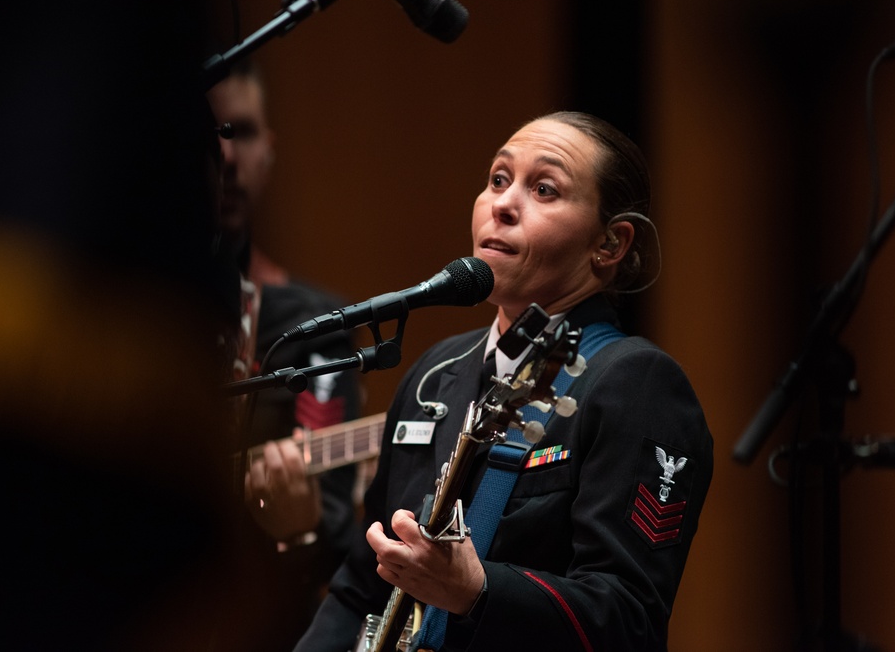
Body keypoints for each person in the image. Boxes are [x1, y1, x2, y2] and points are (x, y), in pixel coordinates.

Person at [293, 111, 713, 651]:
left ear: (609, 245)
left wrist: (478, 590)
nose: (504, 204)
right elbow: (359, 589)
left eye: (544, 188)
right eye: (497, 179)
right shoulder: (433, 374)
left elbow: (629, 621)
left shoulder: (637, 383)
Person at [206, 59, 362, 651]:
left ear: (268, 151)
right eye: (207, 133)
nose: (225, 157)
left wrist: (301, 529)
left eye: (241, 132)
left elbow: (335, 526)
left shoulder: (316, 327)